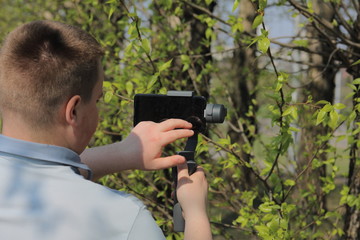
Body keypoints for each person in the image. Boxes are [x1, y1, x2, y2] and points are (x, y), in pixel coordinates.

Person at [0, 20, 212, 240]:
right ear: (73, 111)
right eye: (98, 100)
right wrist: (196, 215)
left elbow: (39, 170)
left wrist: (122, 154)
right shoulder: (123, 219)